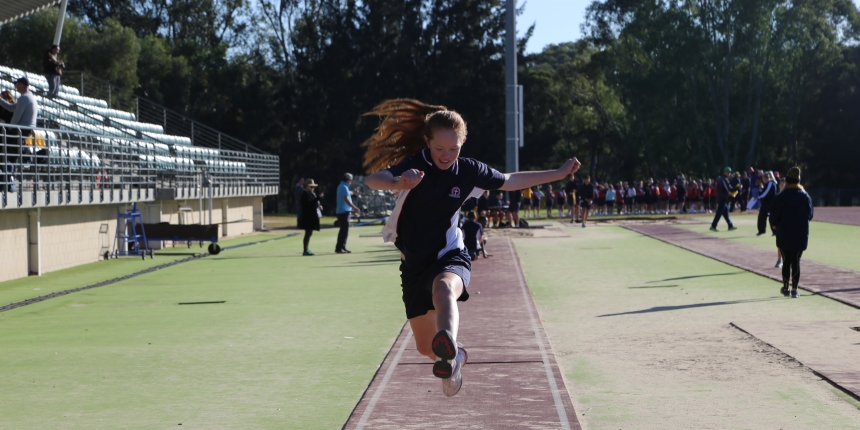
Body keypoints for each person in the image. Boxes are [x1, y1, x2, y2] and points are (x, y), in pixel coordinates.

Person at [361, 99, 581, 397]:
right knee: (424, 347)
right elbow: (374, 179)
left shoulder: (468, 171)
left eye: (454, 149)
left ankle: (449, 345)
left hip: (449, 254)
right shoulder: (415, 165)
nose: (446, 155)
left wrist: (557, 173)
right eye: (439, 149)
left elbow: (510, 180)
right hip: (412, 265)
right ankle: (456, 357)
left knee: (443, 290)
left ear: (463, 143)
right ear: (427, 142)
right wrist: (399, 181)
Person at [770, 167, 813, 298]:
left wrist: (774, 227)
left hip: (784, 233)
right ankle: (795, 289)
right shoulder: (805, 196)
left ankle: (785, 287)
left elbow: (773, 217)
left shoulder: (781, 197)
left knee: (786, 261)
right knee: (796, 261)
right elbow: (810, 215)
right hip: (800, 233)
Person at [0, 77, 39, 192]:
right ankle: (9, 182)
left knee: (8, 155)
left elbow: (16, 117)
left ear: (21, 84)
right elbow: (12, 108)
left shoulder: (24, 98)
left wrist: (9, 128)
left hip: (21, 130)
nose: (15, 86)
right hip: (25, 130)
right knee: (10, 156)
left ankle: (8, 183)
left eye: (17, 84)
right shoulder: (28, 97)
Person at [335, 173, 361, 253]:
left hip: (344, 211)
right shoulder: (343, 186)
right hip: (343, 212)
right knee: (343, 231)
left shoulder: (343, 186)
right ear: (348, 179)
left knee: (344, 231)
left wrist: (354, 192)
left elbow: (348, 193)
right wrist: (354, 207)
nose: (351, 181)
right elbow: (346, 199)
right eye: (351, 179)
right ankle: (339, 248)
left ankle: (342, 247)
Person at [298, 179, 324, 256]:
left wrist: (319, 204)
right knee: (308, 233)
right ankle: (305, 250)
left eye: (313, 186)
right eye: (311, 186)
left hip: (311, 215)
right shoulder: (305, 193)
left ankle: (306, 249)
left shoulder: (311, 193)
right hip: (307, 216)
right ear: (307, 186)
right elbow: (309, 203)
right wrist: (318, 197)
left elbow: (314, 202)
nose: (313, 188)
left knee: (309, 233)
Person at [710, 167, 741, 231]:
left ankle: (730, 226)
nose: (729, 173)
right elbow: (729, 189)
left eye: (730, 172)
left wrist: (736, 188)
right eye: (728, 172)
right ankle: (713, 226)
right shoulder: (723, 179)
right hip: (722, 198)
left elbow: (728, 188)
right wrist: (737, 187)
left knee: (726, 214)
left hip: (723, 198)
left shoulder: (723, 179)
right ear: (724, 172)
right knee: (718, 214)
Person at [756, 171, 777, 236]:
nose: (762, 179)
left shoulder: (771, 183)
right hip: (765, 203)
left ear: (765, 178)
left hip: (771, 204)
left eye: (762, 178)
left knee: (772, 218)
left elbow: (766, 193)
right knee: (761, 217)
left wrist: (759, 197)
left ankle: (775, 231)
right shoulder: (767, 184)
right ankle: (761, 230)